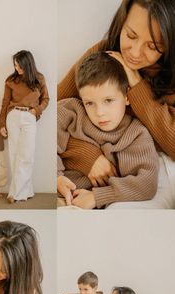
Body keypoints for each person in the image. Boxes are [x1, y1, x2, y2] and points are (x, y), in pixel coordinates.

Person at [58, 0, 175, 209]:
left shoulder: (170, 80)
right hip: (81, 179)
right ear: (121, 24)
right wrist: (89, 157)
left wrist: (137, 86)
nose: (135, 52)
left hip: (140, 178)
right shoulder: (102, 57)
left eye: (152, 46)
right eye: (130, 35)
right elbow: (54, 114)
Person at [57, 52, 158, 208]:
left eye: (108, 101)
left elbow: (146, 184)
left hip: (84, 205)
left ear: (127, 96)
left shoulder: (135, 134)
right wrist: (56, 177)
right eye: (89, 103)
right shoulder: (72, 111)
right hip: (57, 193)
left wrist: (96, 197)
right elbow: (44, 138)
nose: (99, 113)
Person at [0, 50, 49, 203]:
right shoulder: (10, 80)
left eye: (19, 66)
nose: (17, 69)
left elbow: (45, 99)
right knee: (14, 155)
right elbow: (5, 103)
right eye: (15, 65)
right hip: (12, 117)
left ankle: (14, 193)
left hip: (29, 117)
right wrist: (2, 124)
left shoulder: (39, 79)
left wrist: (36, 111)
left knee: (26, 155)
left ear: (27, 64)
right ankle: (24, 191)